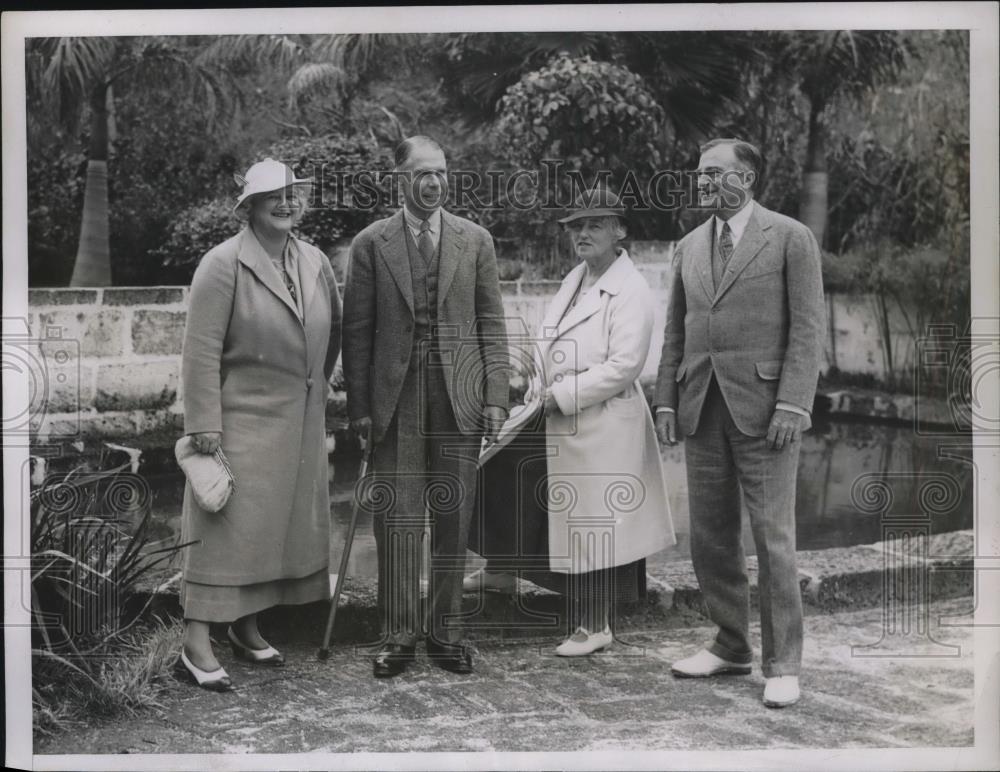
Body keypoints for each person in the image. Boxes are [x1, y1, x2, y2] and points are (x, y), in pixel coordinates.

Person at [467, 187, 675, 656]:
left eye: (594, 225)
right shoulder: (575, 279)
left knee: (595, 522)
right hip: (557, 409)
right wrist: (536, 383)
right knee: (500, 472)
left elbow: (625, 365)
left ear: (619, 230)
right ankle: (501, 571)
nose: (582, 234)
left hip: (604, 422)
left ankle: (594, 623)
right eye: (576, 226)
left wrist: (560, 395)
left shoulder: (631, 289)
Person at [654, 138, 825, 708]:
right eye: (699, 173)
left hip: (767, 411)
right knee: (710, 536)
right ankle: (731, 645)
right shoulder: (688, 245)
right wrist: (665, 401)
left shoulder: (790, 238)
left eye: (712, 173)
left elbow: (807, 328)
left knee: (774, 539)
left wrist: (794, 405)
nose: (700, 181)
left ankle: (782, 663)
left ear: (745, 179)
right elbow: (676, 329)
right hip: (701, 405)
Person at [341, 135, 509, 678]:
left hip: (459, 397)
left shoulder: (475, 240)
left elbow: (491, 324)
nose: (433, 183)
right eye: (421, 174)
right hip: (395, 400)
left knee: (452, 515)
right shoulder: (371, 244)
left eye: (440, 172)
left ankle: (446, 632)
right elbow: (357, 331)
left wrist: (497, 396)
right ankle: (397, 635)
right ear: (400, 179)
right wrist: (360, 408)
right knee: (397, 518)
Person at [176, 158, 342, 692]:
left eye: (293, 193)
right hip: (238, 421)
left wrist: (317, 386)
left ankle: (247, 627)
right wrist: (204, 424)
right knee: (223, 527)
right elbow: (199, 351)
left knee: (277, 530)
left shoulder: (315, 261)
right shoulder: (221, 264)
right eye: (274, 195)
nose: (286, 202)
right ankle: (196, 639)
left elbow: (332, 330)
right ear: (249, 206)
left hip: (299, 421)